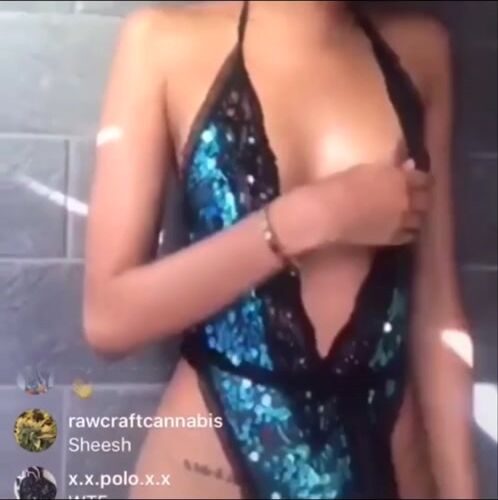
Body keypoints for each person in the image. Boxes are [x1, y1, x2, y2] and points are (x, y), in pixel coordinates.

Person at [83, 1, 477, 498]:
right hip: (210, 471)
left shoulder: (421, 52)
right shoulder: (163, 43)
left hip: (390, 464)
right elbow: (109, 319)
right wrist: (316, 216)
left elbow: (437, 314)